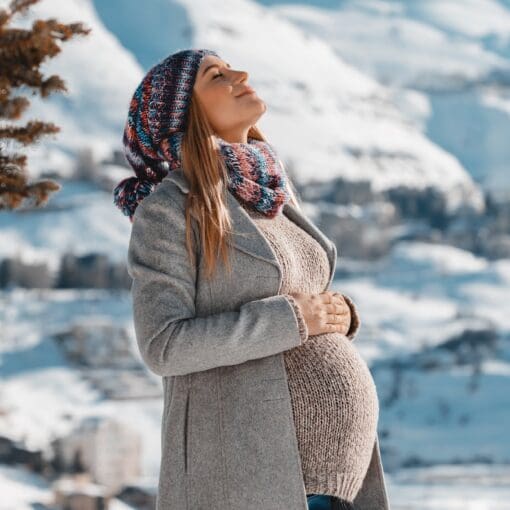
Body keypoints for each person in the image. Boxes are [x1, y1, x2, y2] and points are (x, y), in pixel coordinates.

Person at [113, 48, 390, 510]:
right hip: (253, 476)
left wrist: (337, 315)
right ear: (184, 115)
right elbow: (163, 345)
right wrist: (295, 318)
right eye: (216, 75)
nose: (240, 74)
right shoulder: (169, 210)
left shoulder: (267, 193)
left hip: (331, 478)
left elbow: (300, 304)